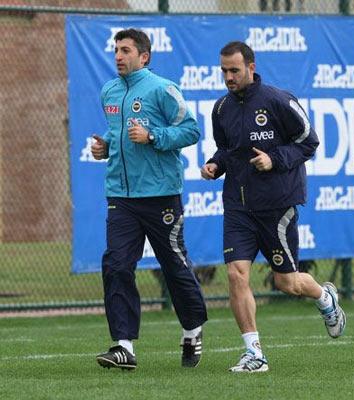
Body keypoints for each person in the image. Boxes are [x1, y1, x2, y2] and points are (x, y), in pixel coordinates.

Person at [201, 41, 346, 373]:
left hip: (277, 206)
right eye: (223, 71)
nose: (228, 77)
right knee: (236, 274)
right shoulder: (221, 109)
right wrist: (214, 165)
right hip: (238, 207)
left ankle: (325, 298)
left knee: (287, 283)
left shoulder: (279, 100)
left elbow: (309, 141)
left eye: (234, 70)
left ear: (251, 68)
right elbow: (227, 151)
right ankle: (254, 353)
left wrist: (274, 159)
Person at [91, 28, 207, 371]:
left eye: (125, 50)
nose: (118, 56)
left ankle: (192, 330)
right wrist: (105, 147)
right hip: (121, 196)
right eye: (116, 49)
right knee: (116, 265)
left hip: (161, 196)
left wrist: (152, 135)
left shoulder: (162, 89)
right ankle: (123, 346)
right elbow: (117, 134)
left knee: (174, 266)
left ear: (144, 56)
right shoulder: (109, 91)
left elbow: (191, 130)